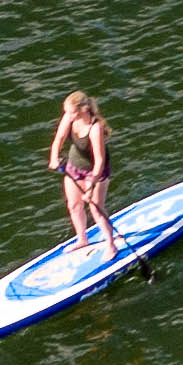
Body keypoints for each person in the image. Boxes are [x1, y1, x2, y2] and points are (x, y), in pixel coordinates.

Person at [50, 90, 119, 259]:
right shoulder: (69, 118)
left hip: (95, 171)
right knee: (74, 205)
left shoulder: (95, 128)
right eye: (66, 112)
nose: (68, 116)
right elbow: (59, 139)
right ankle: (82, 239)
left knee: (96, 209)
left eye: (71, 112)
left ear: (83, 109)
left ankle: (111, 244)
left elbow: (100, 161)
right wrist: (54, 157)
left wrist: (90, 187)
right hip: (74, 167)